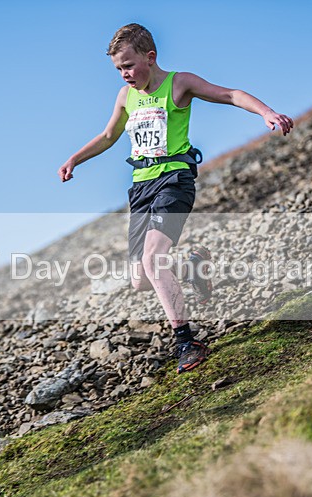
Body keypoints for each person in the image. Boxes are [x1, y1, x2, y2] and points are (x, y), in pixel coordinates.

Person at [58, 23, 293, 373]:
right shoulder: (126, 97)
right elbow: (109, 135)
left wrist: (266, 113)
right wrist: (75, 158)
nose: (124, 74)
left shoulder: (178, 84)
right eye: (118, 69)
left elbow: (229, 94)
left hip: (174, 180)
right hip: (141, 188)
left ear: (150, 57)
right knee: (140, 279)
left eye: (128, 65)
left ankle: (186, 341)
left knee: (153, 260)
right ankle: (191, 265)